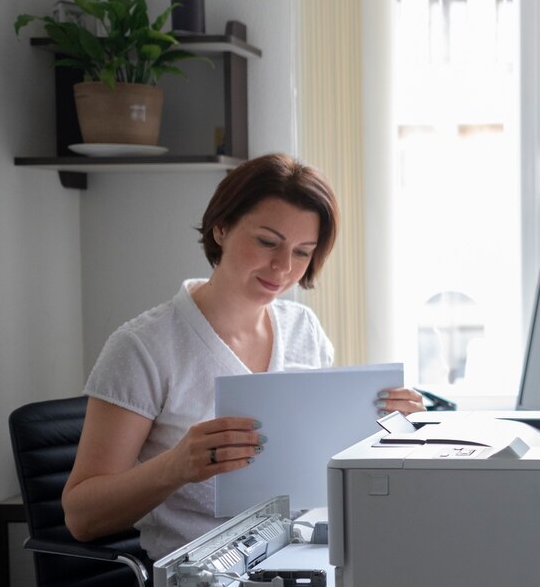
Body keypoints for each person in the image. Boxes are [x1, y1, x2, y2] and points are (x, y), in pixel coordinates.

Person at [64, 153, 424, 561]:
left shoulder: (303, 328)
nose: (284, 267)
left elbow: (324, 468)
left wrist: (388, 431)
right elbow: (81, 515)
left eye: (303, 252)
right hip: (201, 585)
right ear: (221, 227)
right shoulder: (144, 347)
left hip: (305, 560)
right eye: (267, 242)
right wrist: (176, 465)